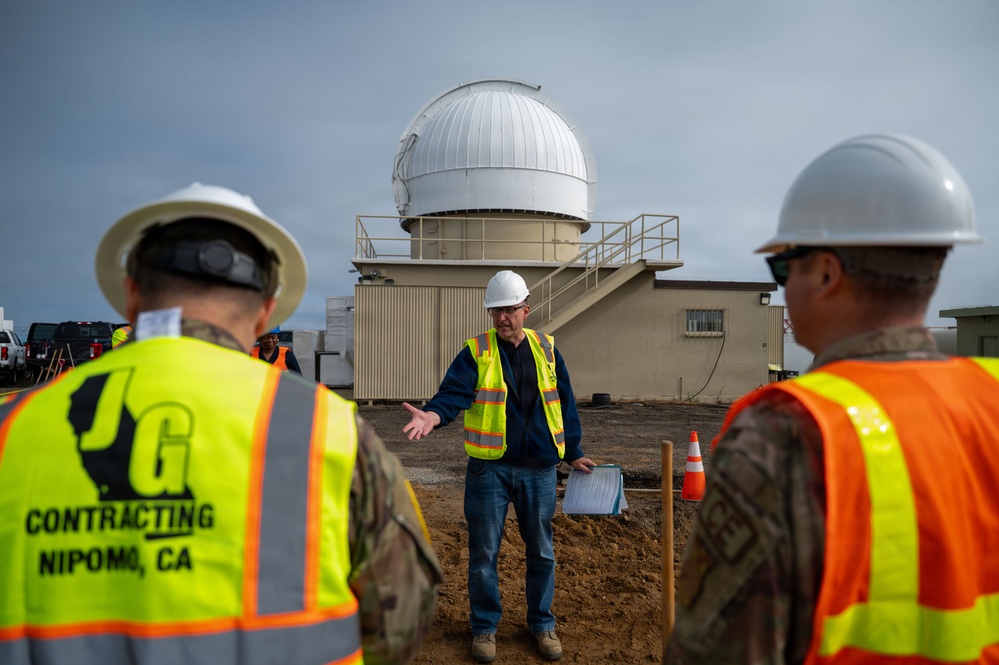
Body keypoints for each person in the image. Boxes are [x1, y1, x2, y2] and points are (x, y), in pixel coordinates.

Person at [0, 182, 442, 665]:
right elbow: (401, 619)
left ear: (130, 296)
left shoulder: (13, 428)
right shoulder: (325, 430)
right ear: (266, 312)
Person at [666, 134, 999, 664]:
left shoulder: (787, 428)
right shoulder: (992, 395)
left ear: (824, 271)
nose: (781, 289)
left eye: (783, 268)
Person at [401, 269, 595, 663]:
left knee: (541, 551)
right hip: (489, 470)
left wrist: (572, 450)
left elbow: (564, 403)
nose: (502, 318)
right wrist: (433, 416)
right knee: (484, 552)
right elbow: (452, 394)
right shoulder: (477, 351)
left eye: (508, 310)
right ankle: (485, 628)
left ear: (526, 309)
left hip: (541, 469)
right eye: (495, 311)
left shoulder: (547, 349)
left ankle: (542, 624)